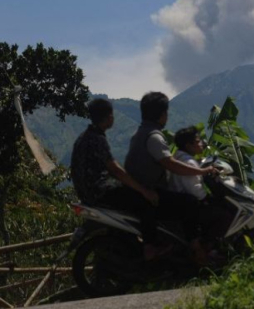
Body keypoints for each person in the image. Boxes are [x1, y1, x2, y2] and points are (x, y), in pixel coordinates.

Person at [124, 92, 218, 264]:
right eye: (166, 112)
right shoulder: (154, 137)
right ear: (161, 115)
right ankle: (197, 252)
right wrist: (202, 172)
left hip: (138, 191)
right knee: (189, 203)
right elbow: (171, 164)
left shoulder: (139, 134)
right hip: (149, 192)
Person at [70, 98, 164, 260]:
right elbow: (116, 170)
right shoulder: (97, 139)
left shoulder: (83, 137)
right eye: (112, 115)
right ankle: (150, 246)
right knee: (145, 201)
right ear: (108, 117)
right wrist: (144, 190)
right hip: (100, 191)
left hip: (86, 194)